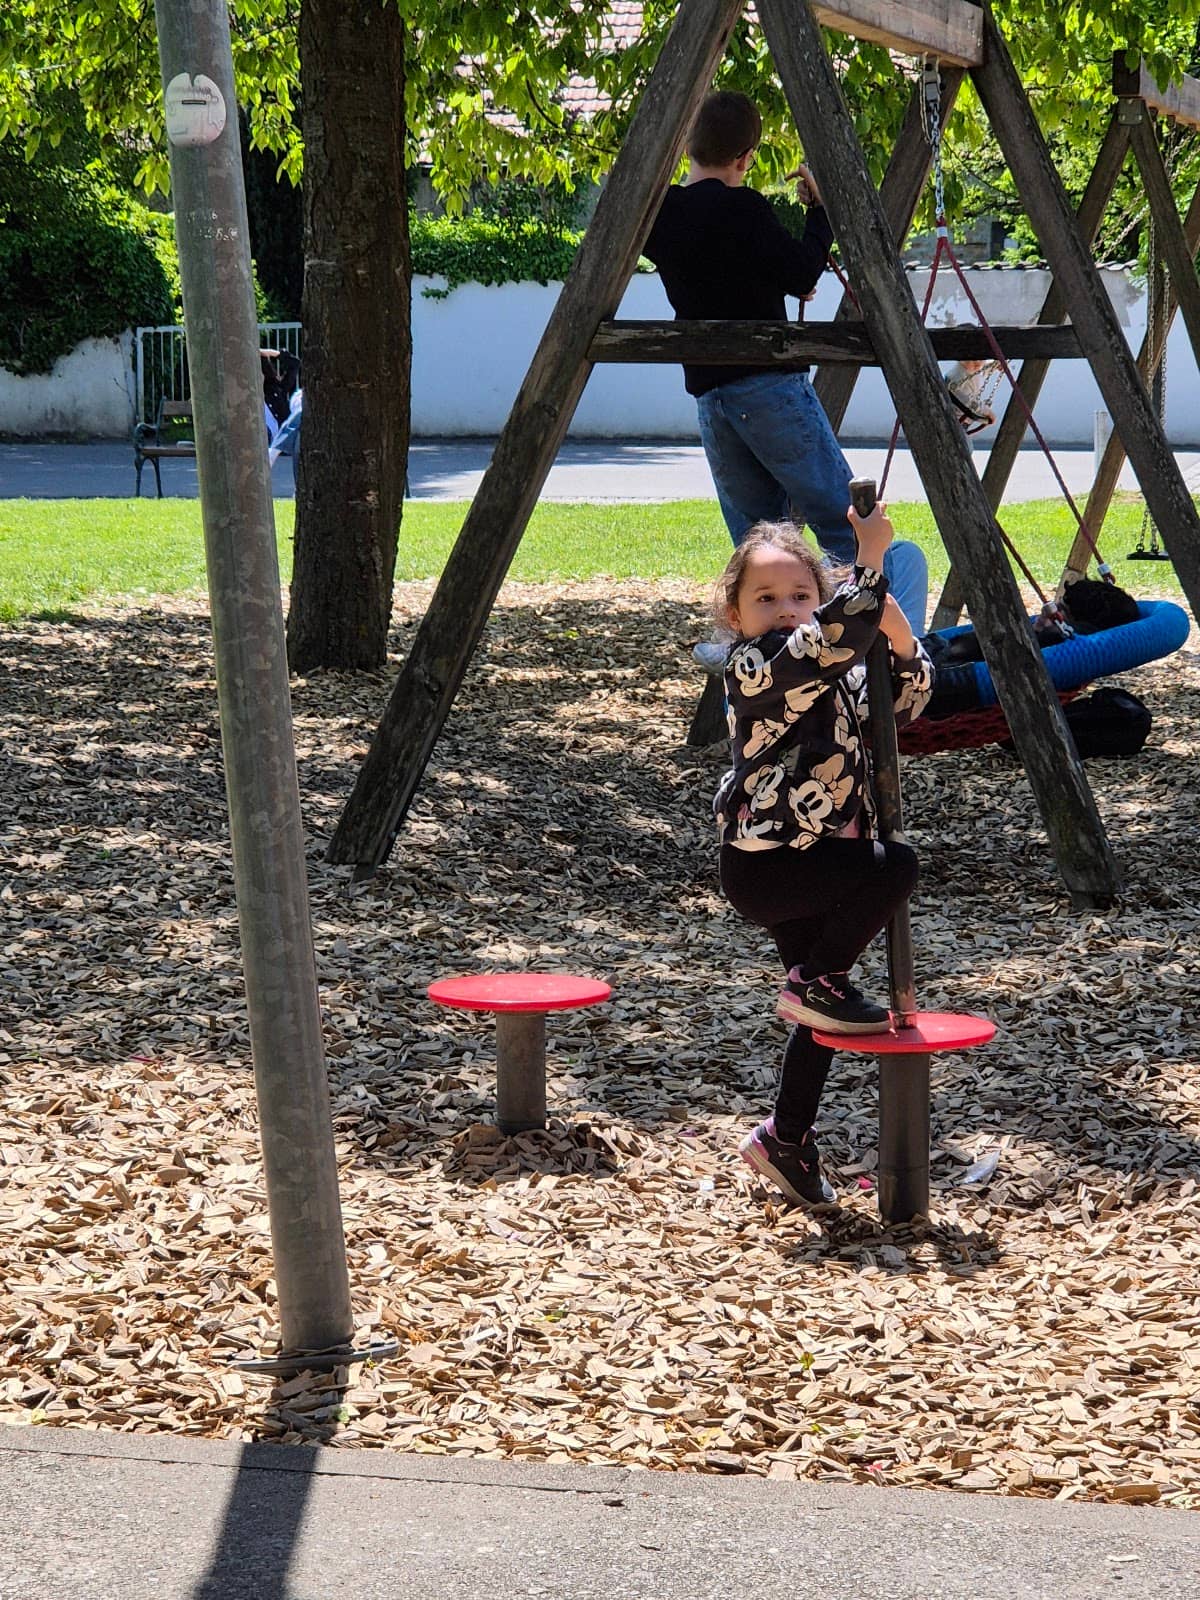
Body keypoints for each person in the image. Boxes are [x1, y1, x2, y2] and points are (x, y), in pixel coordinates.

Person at [642, 90, 930, 653]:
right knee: (852, 531)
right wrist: (818, 213)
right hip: (769, 385)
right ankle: (899, 661)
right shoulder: (747, 209)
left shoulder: (662, 213)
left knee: (760, 553)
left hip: (711, 397)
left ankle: (764, 674)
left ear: (685, 145)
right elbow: (800, 274)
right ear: (746, 157)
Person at [712, 505, 934, 1207]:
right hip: (769, 866)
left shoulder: (839, 657)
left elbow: (905, 706)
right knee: (894, 866)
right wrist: (871, 564)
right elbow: (824, 645)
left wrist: (902, 645)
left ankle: (786, 1139)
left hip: (814, 863)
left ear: (818, 595)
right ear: (735, 614)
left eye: (799, 596)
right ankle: (818, 986)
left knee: (824, 1010)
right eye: (766, 599)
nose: (784, 611)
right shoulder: (753, 668)